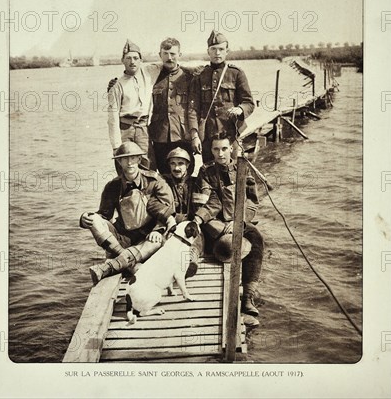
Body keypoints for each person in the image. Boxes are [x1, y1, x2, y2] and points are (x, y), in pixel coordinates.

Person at [80, 141, 176, 285]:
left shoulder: (154, 181)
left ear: (139, 159)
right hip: (124, 237)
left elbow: (168, 211)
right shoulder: (113, 186)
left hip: (148, 236)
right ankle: (130, 263)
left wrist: (158, 230)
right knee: (93, 219)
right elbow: (104, 215)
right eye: (125, 158)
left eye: (133, 158)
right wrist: (85, 219)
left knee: (157, 241)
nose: (130, 162)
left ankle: (110, 266)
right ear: (119, 161)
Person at [194, 133, 264, 320]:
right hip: (215, 223)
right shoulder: (205, 171)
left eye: (224, 148)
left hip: (238, 220)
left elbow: (252, 201)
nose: (220, 153)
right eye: (216, 149)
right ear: (211, 151)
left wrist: (239, 221)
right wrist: (218, 225)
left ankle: (248, 296)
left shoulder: (242, 168)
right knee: (224, 246)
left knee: (256, 238)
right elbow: (205, 204)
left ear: (231, 148)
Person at [188, 31, 255, 163]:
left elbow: (249, 103)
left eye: (221, 49)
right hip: (208, 135)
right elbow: (193, 108)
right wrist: (194, 135)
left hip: (231, 133)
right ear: (208, 51)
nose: (217, 53)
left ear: (227, 51)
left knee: (232, 170)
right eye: (213, 49)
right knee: (209, 170)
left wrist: (240, 109)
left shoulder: (236, 74)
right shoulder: (200, 75)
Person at [149, 38, 198, 174]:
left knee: (186, 173)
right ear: (160, 55)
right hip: (160, 135)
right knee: (164, 173)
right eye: (165, 54)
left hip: (182, 135)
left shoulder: (189, 77)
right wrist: (114, 84)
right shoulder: (152, 76)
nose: (169, 58)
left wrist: (195, 135)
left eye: (173, 54)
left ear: (179, 55)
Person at [107, 39, 157, 170]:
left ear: (141, 60)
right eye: (128, 58)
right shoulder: (117, 86)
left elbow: (171, 65)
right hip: (125, 128)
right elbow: (112, 118)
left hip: (143, 128)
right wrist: (116, 145)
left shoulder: (150, 72)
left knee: (148, 165)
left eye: (136, 58)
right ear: (122, 60)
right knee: (125, 165)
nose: (132, 61)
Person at [163, 147, 205, 278]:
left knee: (197, 236)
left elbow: (212, 201)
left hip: (191, 223)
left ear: (188, 165)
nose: (176, 168)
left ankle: (191, 260)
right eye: (173, 164)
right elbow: (155, 203)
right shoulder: (163, 182)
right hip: (170, 223)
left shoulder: (196, 182)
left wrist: (198, 218)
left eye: (181, 163)